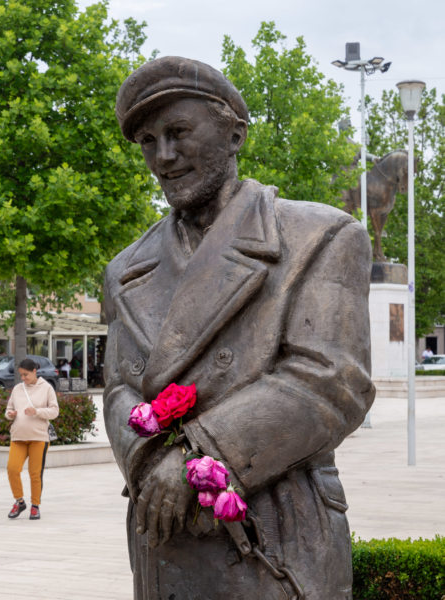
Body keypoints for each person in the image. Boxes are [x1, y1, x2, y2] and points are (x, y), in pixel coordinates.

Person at [104, 57, 374, 598]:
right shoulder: (125, 268)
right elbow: (119, 389)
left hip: (272, 536)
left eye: (179, 133)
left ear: (234, 134)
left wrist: (200, 456)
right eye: (149, 141)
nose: (164, 156)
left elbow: (329, 379)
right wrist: (148, 462)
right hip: (164, 542)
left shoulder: (317, 236)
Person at [4, 357, 59, 520]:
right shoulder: (17, 389)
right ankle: (19, 501)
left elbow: (55, 411)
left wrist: (37, 411)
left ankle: (35, 506)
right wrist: (10, 414)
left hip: (39, 438)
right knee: (12, 469)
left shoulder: (47, 388)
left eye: (26, 374)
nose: (23, 378)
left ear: (35, 372)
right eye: (21, 375)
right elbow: (8, 410)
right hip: (18, 437)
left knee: (35, 474)